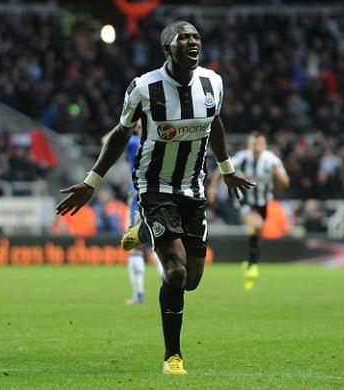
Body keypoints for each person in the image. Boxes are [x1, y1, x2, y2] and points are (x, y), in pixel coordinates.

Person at [56, 21, 254, 375]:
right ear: (168, 48)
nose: (193, 41)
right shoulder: (144, 88)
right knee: (175, 272)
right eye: (185, 38)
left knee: (192, 279)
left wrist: (226, 169)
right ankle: (172, 357)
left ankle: (144, 232)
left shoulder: (213, 83)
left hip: (192, 190)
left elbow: (215, 123)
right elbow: (119, 133)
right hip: (153, 188)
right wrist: (92, 181)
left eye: (196, 36)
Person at [208, 132, 289, 289]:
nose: (257, 148)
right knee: (257, 225)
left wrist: (278, 175)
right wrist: (212, 188)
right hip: (244, 200)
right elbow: (220, 170)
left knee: (257, 231)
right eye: (254, 145)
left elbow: (285, 183)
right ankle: (252, 265)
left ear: (264, 146)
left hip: (263, 202)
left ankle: (251, 263)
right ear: (250, 146)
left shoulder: (272, 161)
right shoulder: (242, 158)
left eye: (260, 145)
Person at [123, 119, 164, 305]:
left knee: (135, 245)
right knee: (157, 243)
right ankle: (169, 282)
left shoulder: (132, 143)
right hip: (157, 195)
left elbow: (108, 141)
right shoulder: (160, 144)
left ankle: (139, 294)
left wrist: (128, 125)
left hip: (137, 196)